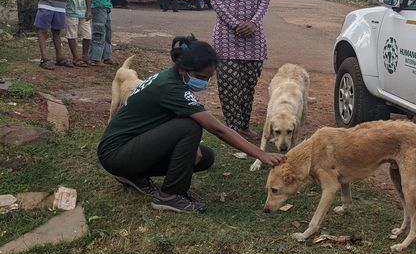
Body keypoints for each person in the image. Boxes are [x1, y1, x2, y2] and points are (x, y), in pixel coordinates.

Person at [97, 35, 285, 213]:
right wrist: (261, 154)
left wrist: (192, 147)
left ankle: (132, 174)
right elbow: (218, 129)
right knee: (190, 126)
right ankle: (169, 195)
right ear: (184, 71)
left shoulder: (170, 78)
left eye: (210, 77)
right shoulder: (170, 88)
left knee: (205, 157)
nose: (206, 82)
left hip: (127, 147)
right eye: (202, 77)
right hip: (115, 154)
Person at [211, 0, 272, 140]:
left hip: (254, 36)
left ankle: (244, 126)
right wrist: (236, 24)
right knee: (229, 85)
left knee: (248, 86)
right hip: (227, 35)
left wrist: (253, 22)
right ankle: (233, 129)